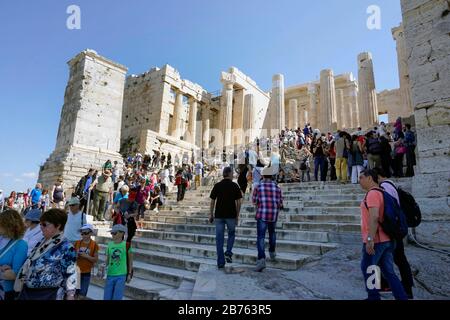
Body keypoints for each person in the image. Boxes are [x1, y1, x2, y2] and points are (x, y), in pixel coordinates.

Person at [358, 169, 408, 300]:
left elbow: (374, 217)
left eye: (361, 178)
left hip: (377, 240)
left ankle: (373, 297)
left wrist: (369, 239)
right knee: (388, 271)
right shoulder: (382, 192)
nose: (359, 181)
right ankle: (401, 296)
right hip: (387, 239)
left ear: (370, 178)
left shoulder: (372, 194)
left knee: (368, 268)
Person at [15, 209, 77, 300]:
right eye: (40, 224)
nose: (41, 227)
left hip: (47, 294)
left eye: (44, 224)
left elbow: (71, 273)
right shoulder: (42, 242)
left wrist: (70, 295)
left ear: (58, 225)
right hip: (28, 292)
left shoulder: (66, 247)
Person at [373, 168, 414, 299]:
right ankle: (407, 288)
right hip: (396, 229)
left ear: (378, 176)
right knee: (400, 259)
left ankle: (384, 286)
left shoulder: (384, 187)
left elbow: (386, 210)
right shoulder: (391, 185)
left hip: (390, 230)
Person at [209, 167, 242, 269]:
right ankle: (228, 252)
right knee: (231, 234)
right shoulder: (234, 185)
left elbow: (212, 201)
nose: (233, 175)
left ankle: (220, 262)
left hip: (219, 216)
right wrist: (237, 215)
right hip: (231, 215)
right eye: (232, 173)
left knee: (219, 239)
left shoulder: (217, 185)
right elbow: (239, 202)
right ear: (229, 174)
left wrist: (211, 214)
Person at [253, 167, 283, 272]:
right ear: (272, 176)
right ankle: (272, 252)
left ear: (262, 176)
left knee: (260, 237)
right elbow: (280, 204)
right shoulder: (278, 188)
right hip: (273, 214)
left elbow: (254, 201)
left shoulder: (258, 187)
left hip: (262, 214)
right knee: (272, 233)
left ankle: (261, 260)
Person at [0, 210, 28, 300]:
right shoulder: (1, 238)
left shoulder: (21, 245)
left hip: (5, 291)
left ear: (9, 226)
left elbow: (14, 274)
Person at [103, 224, 133, 300]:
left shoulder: (127, 245)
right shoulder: (109, 245)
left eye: (114, 233)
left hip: (121, 275)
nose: (112, 235)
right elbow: (107, 260)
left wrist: (129, 274)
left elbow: (130, 261)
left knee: (117, 297)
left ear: (122, 233)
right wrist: (102, 267)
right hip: (110, 274)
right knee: (107, 297)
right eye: (111, 233)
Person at [74, 224, 99, 299]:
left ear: (91, 233)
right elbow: (72, 257)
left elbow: (95, 260)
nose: (84, 235)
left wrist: (86, 256)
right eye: (82, 233)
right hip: (77, 272)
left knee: (82, 295)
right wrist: (76, 255)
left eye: (86, 233)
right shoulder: (77, 243)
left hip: (86, 273)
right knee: (75, 294)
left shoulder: (94, 245)